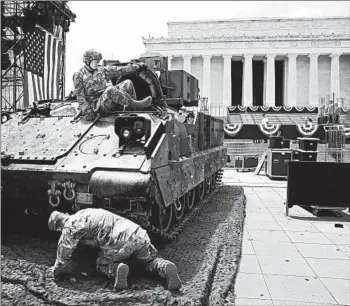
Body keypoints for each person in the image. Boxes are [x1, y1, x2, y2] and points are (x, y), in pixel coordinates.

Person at [48, 208, 182, 291]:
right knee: (149, 261)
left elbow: (63, 258)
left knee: (101, 263)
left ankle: (116, 270)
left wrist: (55, 272)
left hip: (118, 242)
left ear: (58, 228)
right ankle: (165, 267)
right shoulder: (84, 212)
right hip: (138, 233)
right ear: (64, 214)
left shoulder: (69, 229)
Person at [73, 49, 153, 120]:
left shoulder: (101, 70)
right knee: (110, 89)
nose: (97, 63)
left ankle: (131, 110)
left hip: (105, 99)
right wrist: (88, 111)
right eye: (95, 61)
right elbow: (80, 96)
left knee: (127, 83)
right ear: (87, 61)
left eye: (98, 61)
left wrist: (137, 66)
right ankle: (135, 104)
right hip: (96, 106)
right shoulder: (79, 75)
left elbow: (120, 70)